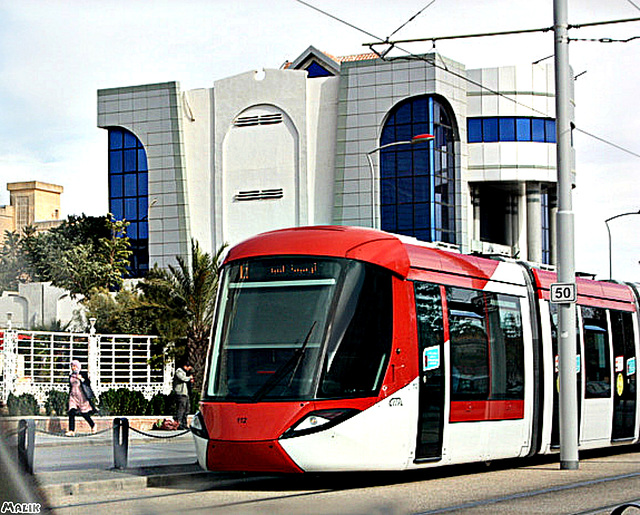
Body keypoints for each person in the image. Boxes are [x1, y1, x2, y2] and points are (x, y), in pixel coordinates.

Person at [66, 359, 96, 436]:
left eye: (75, 366)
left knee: (84, 413)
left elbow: (88, 383)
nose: (73, 368)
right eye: (72, 366)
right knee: (71, 412)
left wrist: (81, 379)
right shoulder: (71, 375)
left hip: (82, 396)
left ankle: (93, 425)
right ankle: (71, 430)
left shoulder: (83, 374)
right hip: (73, 396)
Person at [173, 362, 194, 429]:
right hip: (181, 393)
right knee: (181, 409)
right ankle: (179, 424)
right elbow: (182, 378)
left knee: (187, 409)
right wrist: (189, 378)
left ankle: (184, 424)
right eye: (188, 368)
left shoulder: (186, 373)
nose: (188, 370)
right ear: (185, 366)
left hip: (186, 393)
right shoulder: (179, 371)